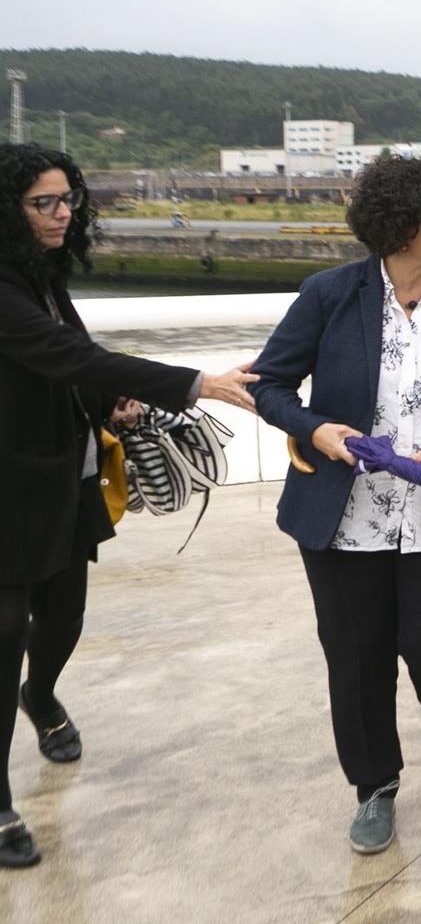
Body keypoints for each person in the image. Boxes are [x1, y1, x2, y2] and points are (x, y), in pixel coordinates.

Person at [251, 156, 421, 854]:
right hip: (342, 523)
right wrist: (315, 428)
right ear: (401, 228)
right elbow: (270, 384)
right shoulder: (328, 296)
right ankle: (374, 785)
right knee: (356, 656)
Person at [0, 145, 258, 871]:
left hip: (63, 471)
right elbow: (65, 355)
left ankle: (40, 696)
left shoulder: (40, 273)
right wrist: (195, 381)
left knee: (65, 614)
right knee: (4, 624)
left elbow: (76, 356)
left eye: (67, 200)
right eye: (43, 203)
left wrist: (111, 402)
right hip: (6, 484)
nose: (60, 214)